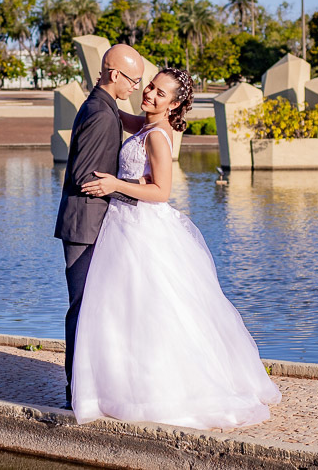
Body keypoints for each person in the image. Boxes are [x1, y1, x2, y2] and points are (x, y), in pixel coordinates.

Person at [73, 68, 281, 429]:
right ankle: (121, 385)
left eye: (160, 93)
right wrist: (104, 87)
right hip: (123, 224)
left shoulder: (157, 135)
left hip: (141, 227)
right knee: (123, 309)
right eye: (150, 86)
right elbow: (114, 112)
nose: (150, 94)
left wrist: (115, 184)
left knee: (151, 307)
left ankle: (162, 390)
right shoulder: (145, 123)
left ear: (174, 104)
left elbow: (161, 192)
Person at [54, 44, 145, 408]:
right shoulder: (101, 114)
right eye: (134, 80)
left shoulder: (105, 107)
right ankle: (76, 391)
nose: (136, 87)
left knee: (95, 308)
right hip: (84, 226)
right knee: (82, 309)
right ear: (114, 74)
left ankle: (89, 386)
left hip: (91, 223)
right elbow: (83, 176)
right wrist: (132, 189)